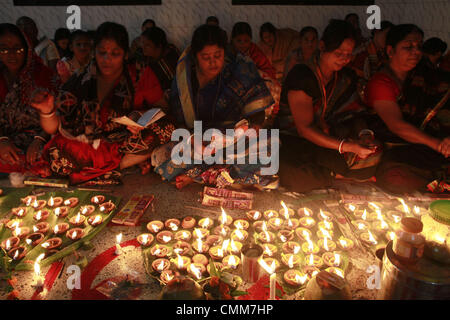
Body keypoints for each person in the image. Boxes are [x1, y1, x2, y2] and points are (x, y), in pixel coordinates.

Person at [30, 22, 175, 185]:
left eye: (115, 53)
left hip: (124, 139)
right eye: (102, 53)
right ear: (94, 52)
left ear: (126, 54)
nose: (107, 60)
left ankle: (112, 167)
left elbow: (163, 107)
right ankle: (113, 167)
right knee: (58, 157)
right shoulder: (79, 81)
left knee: (166, 129)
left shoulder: (138, 74)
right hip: (87, 143)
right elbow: (53, 128)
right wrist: (47, 111)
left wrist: (139, 117)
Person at [151, 24, 278, 190]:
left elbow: (258, 116)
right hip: (197, 139)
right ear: (196, 57)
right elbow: (179, 118)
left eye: (218, 55)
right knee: (160, 156)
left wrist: (245, 133)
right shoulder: (185, 77)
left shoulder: (239, 68)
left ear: (224, 52)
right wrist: (193, 140)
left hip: (233, 139)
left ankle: (200, 175)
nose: (213, 62)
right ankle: (223, 175)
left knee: (268, 150)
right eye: (206, 57)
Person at [277, 19, 379, 193]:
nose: (344, 59)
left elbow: (354, 114)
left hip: (329, 136)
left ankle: (332, 173)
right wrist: (347, 146)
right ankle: (334, 174)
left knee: (370, 159)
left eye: (348, 54)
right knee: (300, 178)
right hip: (293, 139)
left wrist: (363, 136)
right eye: (339, 53)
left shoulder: (345, 77)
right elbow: (304, 129)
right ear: (323, 46)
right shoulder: (302, 75)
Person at [364, 24, 450, 194]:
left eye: (419, 47)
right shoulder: (381, 82)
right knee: (395, 178)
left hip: (431, 146)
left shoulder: (428, 76)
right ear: (390, 51)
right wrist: (438, 144)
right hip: (397, 150)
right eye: (408, 47)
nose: (416, 52)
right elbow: (396, 125)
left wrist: (447, 139)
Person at [0, 23, 58, 177]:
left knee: (54, 158)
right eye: (4, 49)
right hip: (4, 141)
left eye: (18, 49)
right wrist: (2, 140)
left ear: (27, 49)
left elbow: (56, 116)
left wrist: (39, 139)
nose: (11, 55)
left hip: (39, 139)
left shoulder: (43, 75)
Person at [230, 22, 280, 122]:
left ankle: (266, 119)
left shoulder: (253, 50)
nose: (242, 44)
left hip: (255, 83)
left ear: (251, 41)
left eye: (246, 41)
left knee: (275, 90)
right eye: (239, 41)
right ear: (232, 40)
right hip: (234, 85)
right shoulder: (228, 51)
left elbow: (267, 69)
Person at [138, 26, 180, 94]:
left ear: (159, 46)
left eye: (147, 45)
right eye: (142, 43)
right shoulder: (147, 56)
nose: (143, 48)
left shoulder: (169, 60)